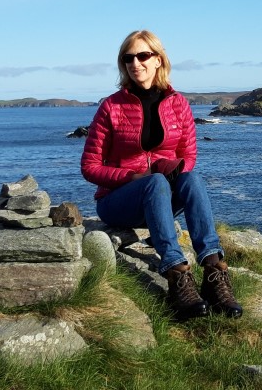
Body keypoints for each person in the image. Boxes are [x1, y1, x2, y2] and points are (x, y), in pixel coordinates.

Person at [81, 30, 242, 320]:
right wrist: (132, 178)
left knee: (191, 179)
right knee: (153, 181)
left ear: (158, 60)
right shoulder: (111, 107)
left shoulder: (178, 103)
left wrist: (172, 171)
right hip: (120, 201)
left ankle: (214, 272)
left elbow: (189, 157)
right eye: (128, 57)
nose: (135, 63)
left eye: (143, 56)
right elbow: (90, 167)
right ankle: (177, 275)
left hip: (162, 196)